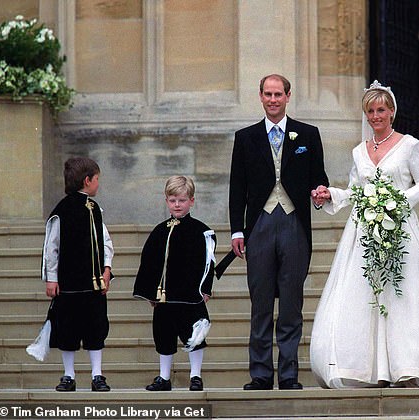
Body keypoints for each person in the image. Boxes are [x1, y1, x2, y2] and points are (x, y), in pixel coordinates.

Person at [309, 80, 419, 388]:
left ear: (392, 111)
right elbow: (357, 190)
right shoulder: (359, 151)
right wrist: (329, 194)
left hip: (399, 227)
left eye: (381, 109)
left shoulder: (411, 145)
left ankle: (405, 367)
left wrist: (394, 204)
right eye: (370, 110)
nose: (375, 116)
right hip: (364, 229)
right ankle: (367, 369)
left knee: (400, 296)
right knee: (363, 296)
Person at [227, 74, 329, 390]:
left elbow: (319, 177)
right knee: (260, 303)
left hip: (294, 223)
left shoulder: (308, 135)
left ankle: (288, 374)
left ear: (288, 96)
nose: (273, 100)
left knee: (290, 304)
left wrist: (321, 192)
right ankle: (259, 373)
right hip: (259, 224)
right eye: (268, 94)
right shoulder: (245, 138)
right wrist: (236, 231)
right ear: (260, 97)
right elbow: (236, 189)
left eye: (278, 94)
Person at [133, 176, 216, 391]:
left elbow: (209, 262)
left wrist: (205, 288)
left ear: (191, 201)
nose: (177, 205)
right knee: (164, 335)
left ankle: (195, 376)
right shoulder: (159, 231)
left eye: (181, 200)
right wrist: (150, 291)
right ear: (166, 201)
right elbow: (149, 261)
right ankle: (164, 377)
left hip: (190, 295)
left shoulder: (202, 231)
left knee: (195, 336)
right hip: (165, 296)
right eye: (172, 200)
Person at [41, 157, 113, 392]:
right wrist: (52, 278)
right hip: (68, 284)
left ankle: (97, 375)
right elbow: (51, 247)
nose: (98, 184)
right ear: (87, 180)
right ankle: (69, 375)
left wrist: (107, 269)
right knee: (68, 330)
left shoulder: (95, 210)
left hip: (93, 284)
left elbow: (105, 242)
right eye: (97, 179)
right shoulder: (61, 211)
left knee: (95, 328)